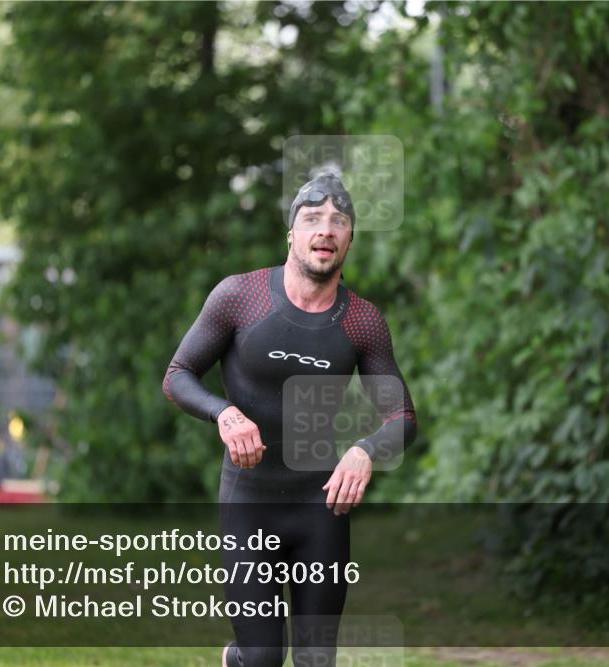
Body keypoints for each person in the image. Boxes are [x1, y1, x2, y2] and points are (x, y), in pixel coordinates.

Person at [163, 172, 418, 667]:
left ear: (349, 240)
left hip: (320, 505)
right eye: (313, 218)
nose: (326, 229)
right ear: (292, 235)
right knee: (262, 659)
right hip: (250, 503)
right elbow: (178, 375)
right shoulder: (240, 297)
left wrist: (365, 450)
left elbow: (403, 416)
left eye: (339, 221)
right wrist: (224, 413)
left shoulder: (362, 322)